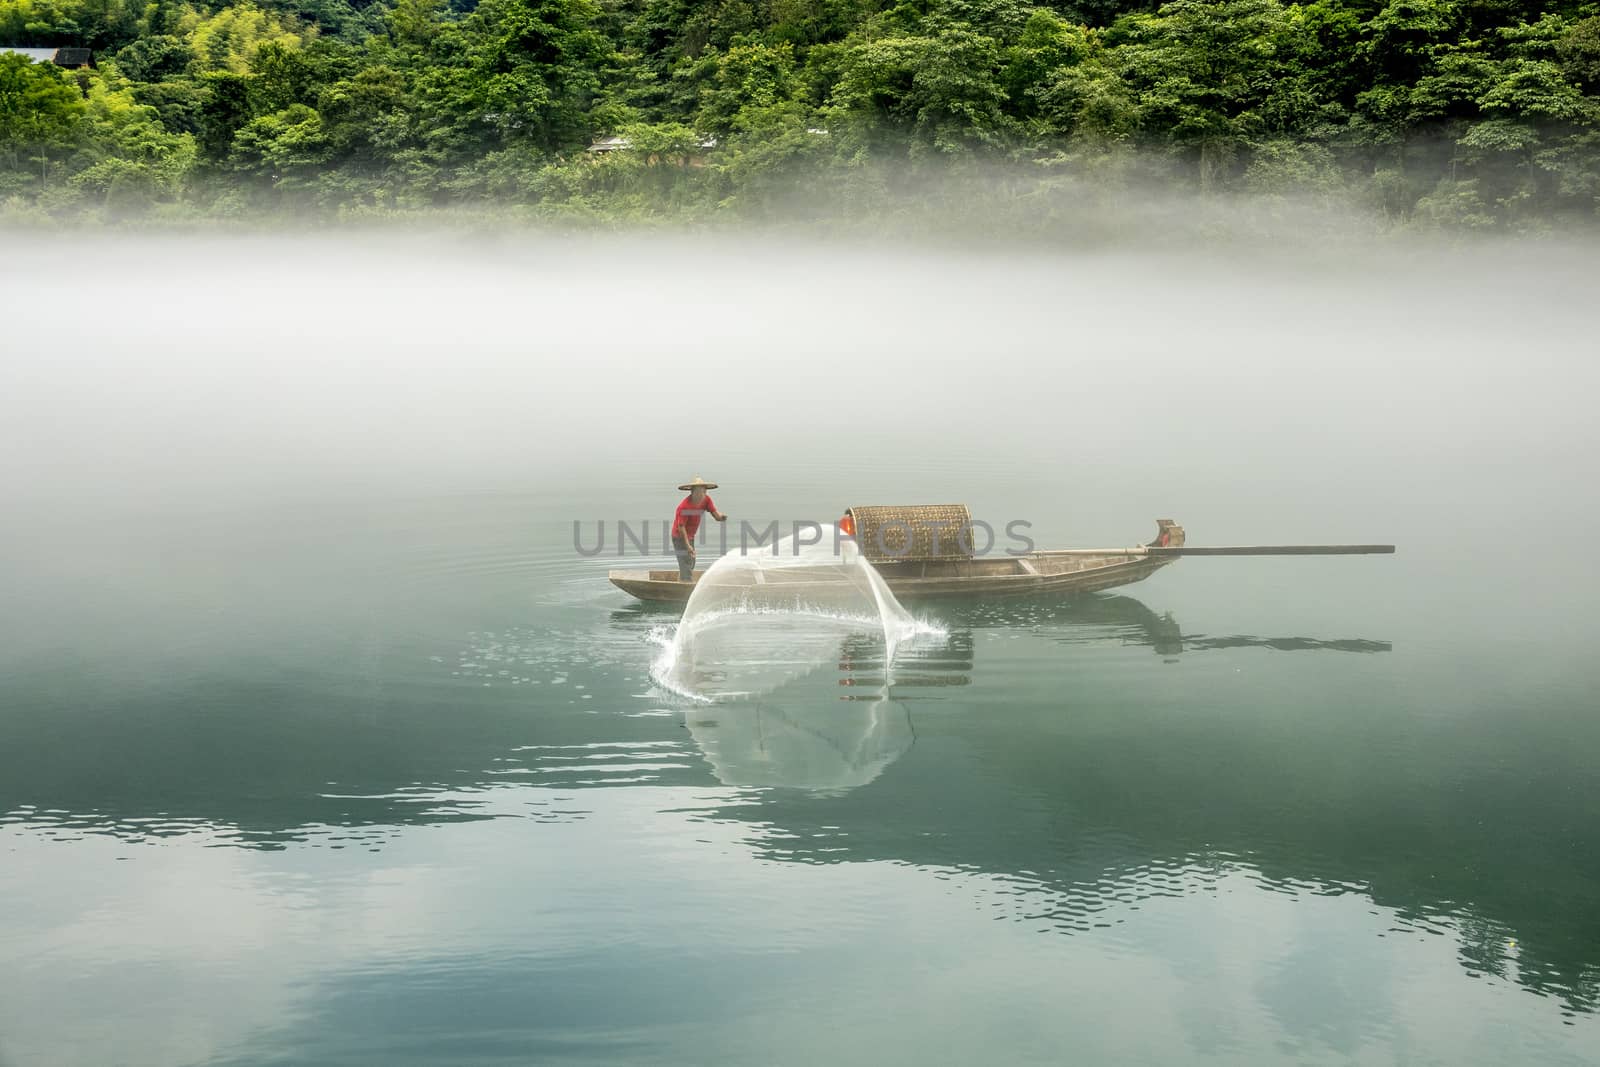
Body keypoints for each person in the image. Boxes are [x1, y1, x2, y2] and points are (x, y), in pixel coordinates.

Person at [671, 476, 727, 581]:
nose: (702, 493)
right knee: (686, 562)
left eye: (703, 490)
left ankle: (682, 579)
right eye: (699, 491)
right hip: (679, 536)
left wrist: (721, 517)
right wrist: (687, 546)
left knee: (691, 561)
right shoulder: (684, 507)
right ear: (692, 491)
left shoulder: (706, 499)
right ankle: (685, 586)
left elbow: (715, 514)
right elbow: (681, 527)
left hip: (690, 535)